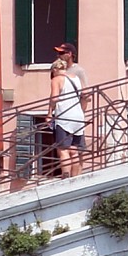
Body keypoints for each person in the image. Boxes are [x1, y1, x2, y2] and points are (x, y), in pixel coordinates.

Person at [49, 44, 87, 176]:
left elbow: (54, 98)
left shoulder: (56, 79)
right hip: (78, 117)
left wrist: (50, 112)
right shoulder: (75, 78)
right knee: (74, 150)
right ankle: (74, 178)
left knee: (63, 150)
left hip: (64, 117)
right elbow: (85, 95)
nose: (58, 55)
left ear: (55, 69)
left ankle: (65, 178)